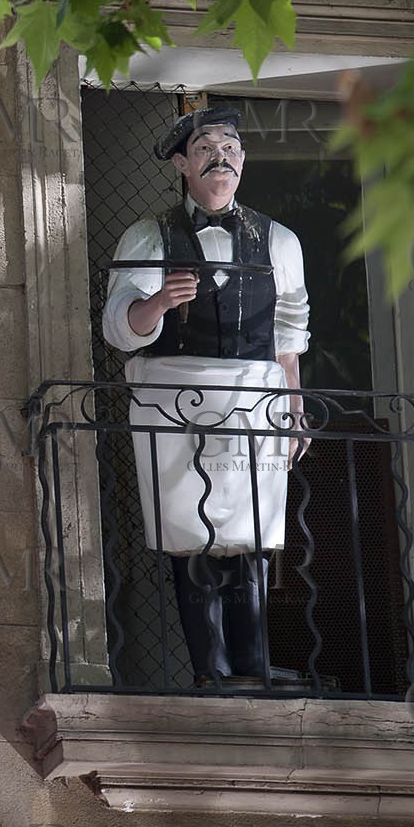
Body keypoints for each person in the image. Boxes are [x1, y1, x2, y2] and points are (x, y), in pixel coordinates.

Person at [101, 105, 310, 687]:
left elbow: (289, 337)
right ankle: (210, 670)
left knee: (252, 534)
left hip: (254, 396)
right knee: (189, 532)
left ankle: (253, 666)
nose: (221, 156)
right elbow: (119, 328)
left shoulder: (280, 240)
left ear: (242, 160)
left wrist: (294, 410)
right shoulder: (147, 235)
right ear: (181, 165)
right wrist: (160, 303)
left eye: (231, 147)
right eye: (205, 148)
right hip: (173, 397)